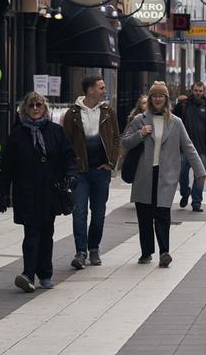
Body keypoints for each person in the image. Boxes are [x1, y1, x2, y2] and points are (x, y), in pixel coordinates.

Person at [0, 92, 77, 292]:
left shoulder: (56, 132)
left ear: (45, 108)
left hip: (49, 192)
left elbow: (68, 156)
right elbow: (7, 165)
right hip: (26, 192)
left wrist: (71, 176)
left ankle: (46, 273)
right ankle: (28, 274)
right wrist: (3, 192)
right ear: (25, 108)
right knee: (31, 232)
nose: (35, 108)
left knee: (47, 233)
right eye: (31, 105)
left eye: (39, 105)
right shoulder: (17, 134)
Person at [122, 82, 206, 267]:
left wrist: (200, 171)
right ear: (150, 99)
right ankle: (146, 252)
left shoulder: (175, 122)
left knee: (162, 214)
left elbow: (189, 146)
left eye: (161, 96)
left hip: (165, 175)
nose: (158, 99)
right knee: (144, 214)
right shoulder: (140, 119)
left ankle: (164, 252)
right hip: (144, 174)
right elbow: (125, 142)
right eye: (154, 96)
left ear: (166, 99)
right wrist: (140, 133)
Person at [62, 76, 120, 269]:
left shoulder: (108, 112)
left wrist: (111, 163)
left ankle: (94, 248)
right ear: (90, 91)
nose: (104, 90)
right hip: (80, 172)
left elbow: (115, 138)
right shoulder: (72, 114)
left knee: (99, 213)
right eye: (101, 88)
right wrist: (70, 169)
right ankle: (81, 252)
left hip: (100, 171)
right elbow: (66, 143)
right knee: (79, 213)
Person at [172, 82, 206, 212]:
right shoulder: (182, 106)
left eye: (200, 90)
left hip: (203, 149)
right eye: (196, 90)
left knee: (200, 177)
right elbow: (171, 123)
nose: (198, 93)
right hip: (184, 149)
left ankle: (196, 202)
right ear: (192, 90)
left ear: (203, 91)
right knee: (181, 174)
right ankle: (185, 192)